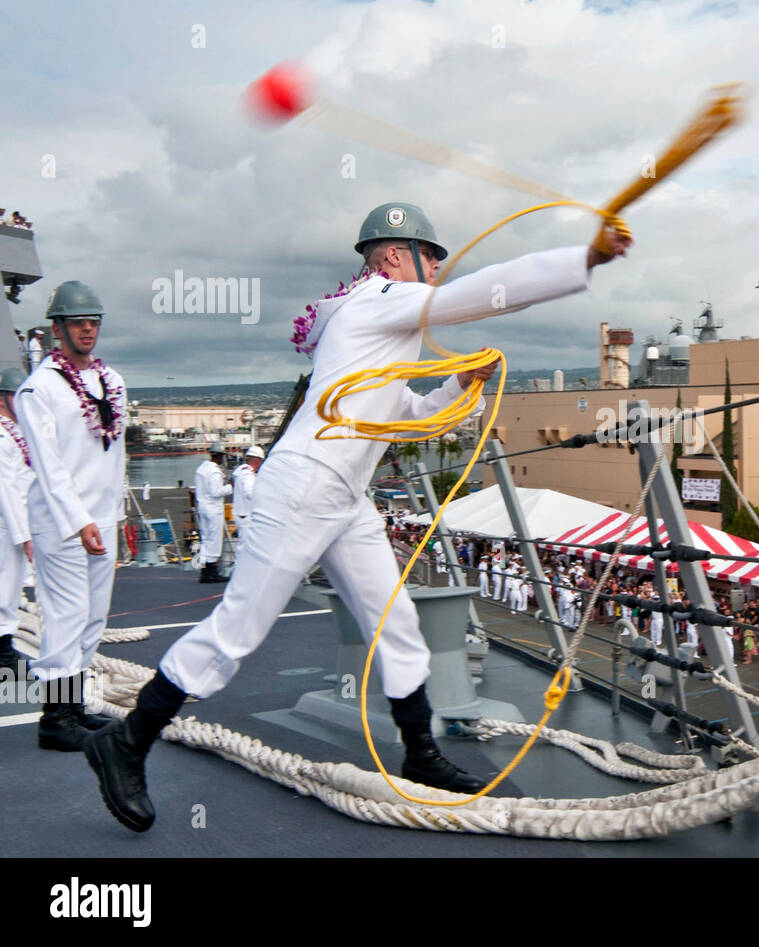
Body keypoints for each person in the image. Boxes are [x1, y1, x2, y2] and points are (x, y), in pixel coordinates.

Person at [84, 201, 631, 833]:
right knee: (238, 629)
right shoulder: (379, 301)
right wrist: (582, 259)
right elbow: (488, 293)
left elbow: (402, 410)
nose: (436, 273)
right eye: (433, 259)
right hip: (305, 487)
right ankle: (127, 742)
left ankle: (421, 754)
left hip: (343, 495)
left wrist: (464, 384)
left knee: (396, 624)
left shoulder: (375, 329)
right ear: (397, 256)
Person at [15, 281, 124, 750]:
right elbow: (49, 465)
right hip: (63, 522)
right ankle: (55, 720)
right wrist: (80, 521)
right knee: (66, 613)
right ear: (57, 328)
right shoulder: (37, 389)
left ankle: (75, 706)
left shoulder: (113, 381)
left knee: (94, 616)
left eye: (93, 321)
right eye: (78, 321)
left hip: (104, 518)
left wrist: (111, 516)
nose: (87, 329)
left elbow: (113, 457)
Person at [0, 367, 35, 680]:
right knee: (4, 589)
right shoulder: (1, 436)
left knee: (9, 589)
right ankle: (2, 656)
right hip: (6, 526)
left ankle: (4, 648)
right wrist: (25, 536)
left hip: (13, 524)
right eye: (16, 396)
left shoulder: (14, 431)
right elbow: (6, 488)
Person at [192, 448, 231, 583]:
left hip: (202, 507)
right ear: (219, 456)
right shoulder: (214, 471)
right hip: (213, 509)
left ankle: (204, 571)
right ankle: (212, 570)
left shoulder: (201, 468)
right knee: (214, 540)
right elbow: (216, 492)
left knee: (206, 539)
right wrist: (230, 487)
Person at [230, 445, 264, 550]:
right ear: (257, 460)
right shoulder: (248, 475)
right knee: (245, 546)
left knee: (244, 545)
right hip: (246, 516)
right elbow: (249, 493)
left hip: (242, 514)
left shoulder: (241, 472)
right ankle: (240, 565)